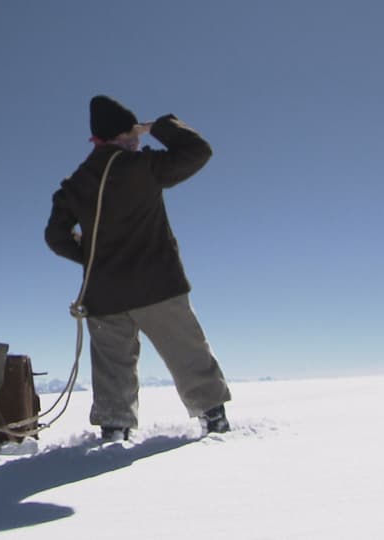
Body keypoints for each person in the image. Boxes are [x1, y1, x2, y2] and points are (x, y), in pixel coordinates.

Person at [45, 95, 232, 441]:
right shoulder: (142, 167)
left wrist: (92, 259)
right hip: (157, 285)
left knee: (112, 370)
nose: (139, 140)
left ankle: (114, 434)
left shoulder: (77, 183)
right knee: (187, 355)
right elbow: (198, 151)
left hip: (103, 294)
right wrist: (159, 126)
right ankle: (214, 423)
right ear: (125, 134)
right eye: (135, 134)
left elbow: (55, 237)